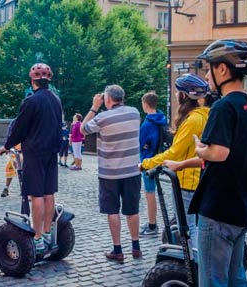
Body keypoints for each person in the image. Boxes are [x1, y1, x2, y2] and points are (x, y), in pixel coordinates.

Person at [189, 39, 247, 287]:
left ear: (222, 69)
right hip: (242, 206)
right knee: (236, 278)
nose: (206, 75)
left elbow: (219, 152)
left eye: (208, 68)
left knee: (213, 280)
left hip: (219, 207)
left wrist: (200, 149)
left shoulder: (223, 107)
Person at [0, 63, 63, 254]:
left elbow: (19, 129)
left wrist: (6, 146)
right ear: (48, 80)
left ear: (32, 80)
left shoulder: (31, 101)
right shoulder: (56, 99)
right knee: (49, 193)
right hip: (52, 152)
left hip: (35, 152)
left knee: (36, 196)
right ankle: (49, 233)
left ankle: (38, 238)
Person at [140, 75, 210, 248]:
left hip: (189, 180)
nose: (176, 94)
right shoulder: (203, 115)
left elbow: (175, 153)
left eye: (178, 91)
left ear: (184, 95)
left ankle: (194, 266)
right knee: (194, 224)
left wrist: (146, 163)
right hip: (197, 177)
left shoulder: (192, 120)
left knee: (188, 227)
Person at [81, 85, 142, 263]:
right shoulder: (135, 113)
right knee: (133, 210)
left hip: (110, 174)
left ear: (107, 100)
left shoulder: (102, 118)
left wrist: (94, 107)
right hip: (132, 170)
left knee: (112, 210)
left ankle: (117, 249)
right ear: (122, 97)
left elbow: (82, 129)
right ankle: (136, 246)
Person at [137, 92, 168, 237]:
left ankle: (152, 225)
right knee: (152, 193)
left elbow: (139, 142)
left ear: (145, 104)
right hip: (159, 158)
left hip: (149, 161)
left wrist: (143, 146)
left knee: (150, 194)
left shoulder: (148, 123)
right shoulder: (162, 119)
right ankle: (152, 222)